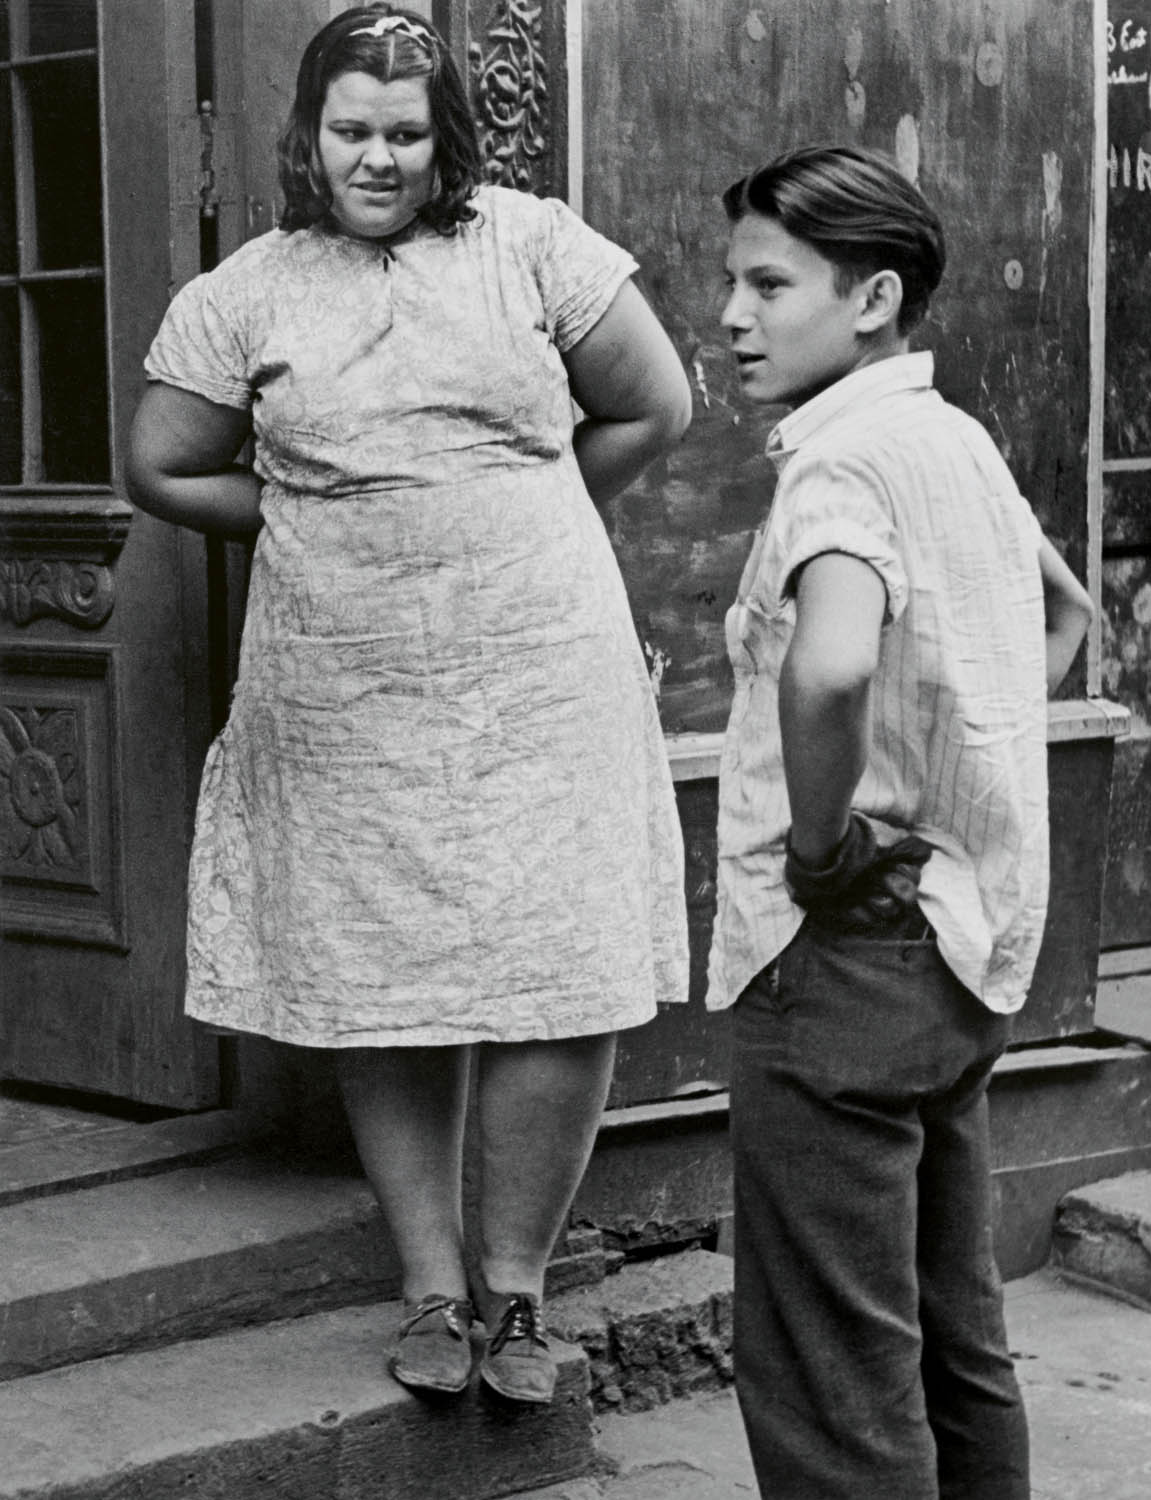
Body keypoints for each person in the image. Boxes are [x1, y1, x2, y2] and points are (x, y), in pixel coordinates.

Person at [126, 4, 691, 1407]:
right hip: (344, 669)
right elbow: (159, 464)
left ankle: (517, 1294)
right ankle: (433, 1286)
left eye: (405, 132)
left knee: (556, 961)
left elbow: (653, 407)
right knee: (387, 975)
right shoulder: (249, 288)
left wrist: (519, 513)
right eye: (352, 131)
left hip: (538, 654)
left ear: (447, 139)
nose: (378, 159)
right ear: (310, 136)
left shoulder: (532, 243)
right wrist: (311, 511)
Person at [705, 144, 1094, 1499]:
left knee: (830, 1374)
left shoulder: (840, 468)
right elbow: (1063, 616)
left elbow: (827, 666)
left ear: (871, 299)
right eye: (731, 284)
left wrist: (822, 845)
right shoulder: (954, 440)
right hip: (958, 945)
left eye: (768, 285)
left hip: (844, 955)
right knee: (950, 1334)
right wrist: (954, 767)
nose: (733, 317)